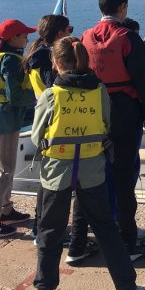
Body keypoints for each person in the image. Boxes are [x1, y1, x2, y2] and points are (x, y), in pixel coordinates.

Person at [27, 37, 145, 290]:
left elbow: (37, 136)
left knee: (51, 229)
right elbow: (106, 126)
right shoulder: (99, 92)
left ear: (57, 64)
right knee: (106, 229)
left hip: (57, 172)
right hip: (92, 170)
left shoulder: (51, 95)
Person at [81, 0, 145, 261]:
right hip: (124, 113)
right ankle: (128, 241)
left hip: (92, 113)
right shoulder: (127, 38)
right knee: (124, 178)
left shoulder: (85, 37)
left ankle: (93, 233)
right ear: (123, 7)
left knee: (93, 176)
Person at [24, 14, 96, 264]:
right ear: (57, 34)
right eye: (69, 29)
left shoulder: (35, 56)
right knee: (66, 191)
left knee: (47, 188)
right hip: (60, 130)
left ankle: (38, 229)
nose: (71, 33)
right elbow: (58, 90)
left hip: (48, 127)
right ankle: (71, 241)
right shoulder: (46, 62)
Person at [0, 19, 36, 238]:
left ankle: (6, 209)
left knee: (8, 166)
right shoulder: (10, 61)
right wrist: (39, 97)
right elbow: (15, 95)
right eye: (23, 35)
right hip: (4, 116)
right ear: (12, 38)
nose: (27, 38)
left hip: (0, 115)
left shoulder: (2, 57)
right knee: (3, 168)